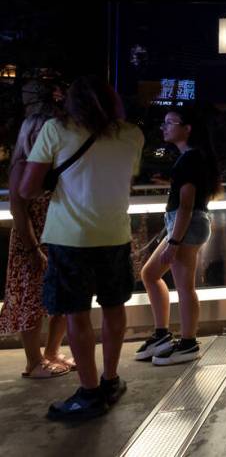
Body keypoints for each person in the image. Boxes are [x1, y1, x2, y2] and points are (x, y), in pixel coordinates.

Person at [21, 76, 144, 421]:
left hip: (70, 239)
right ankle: (110, 380)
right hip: (116, 234)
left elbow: (29, 189)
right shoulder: (132, 134)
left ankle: (89, 394)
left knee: (77, 314)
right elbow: (123, 179)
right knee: (114, 307)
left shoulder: (55, 130)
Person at [138, 107, 221, 365]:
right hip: (185, 224)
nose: (164, 127)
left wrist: (174, 242)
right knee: (149, 274)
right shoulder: (192, 158)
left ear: (188, 129)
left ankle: (188, 343)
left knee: (185, 288)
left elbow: (186, 205)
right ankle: (162, 334)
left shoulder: (190, 159)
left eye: (170, 122)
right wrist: (169, 183)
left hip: (185, 226)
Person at [0, 113, 72, 378]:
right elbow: (18, 211)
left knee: (62, 300)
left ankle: (51, 352)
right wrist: (32, 249)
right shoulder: (22, 166)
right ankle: (33, 361)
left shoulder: (53, 166)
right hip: (31, 242)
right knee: (30, 301)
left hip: (55, 239)